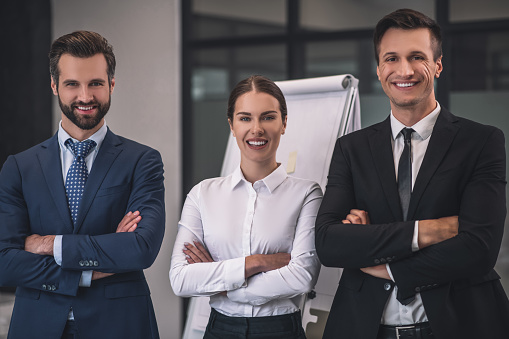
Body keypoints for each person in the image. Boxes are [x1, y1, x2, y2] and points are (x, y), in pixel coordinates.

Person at [315, 8, 509, 339]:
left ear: (437, 65)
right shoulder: (352, 149)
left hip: (459, 325)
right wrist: (426, 232)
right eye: (391, 58)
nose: (404, 70)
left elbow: (479, 249)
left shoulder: (481, 141)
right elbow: (329, 243)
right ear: (378, 69)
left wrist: (382, 263)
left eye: (416, 56)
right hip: (366, 328)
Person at [0, 31, 165, 339]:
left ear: (112, 85)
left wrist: (47, 244)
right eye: (72, 84)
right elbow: (4, 262)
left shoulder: (142, 161)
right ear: (54, 86)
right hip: (37, 324)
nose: (86, 96)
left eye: (96, 84)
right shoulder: (19, 167)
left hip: (120, 324)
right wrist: (90, 270)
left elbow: (141, 248)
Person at [170, 75, 322, 339]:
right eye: (245, 118)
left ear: (284, 123)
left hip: (280, 331)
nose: (256, 129)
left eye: (268, 117)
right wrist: (257, 262)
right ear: (232, 125)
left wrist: (222, 283)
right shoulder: (202, 194)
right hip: (220, 330)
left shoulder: (307, 194)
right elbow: (181, 279)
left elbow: (302, 276)